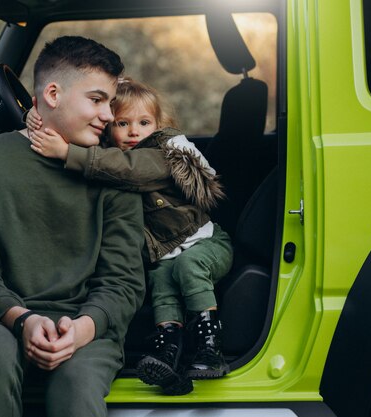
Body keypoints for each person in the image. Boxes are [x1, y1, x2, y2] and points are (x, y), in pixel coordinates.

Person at [0, 36, 146, 417]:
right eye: (97, 100)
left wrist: (82, 329)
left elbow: (123, 282)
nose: (107, 116)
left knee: (77, 387)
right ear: (52, 93)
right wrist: (24, 321)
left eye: (110, 103)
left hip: (87, 324)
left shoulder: (114, 171)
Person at [27, 77, 234, 395]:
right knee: (162, 281)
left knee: (188, 268)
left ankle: (209, 347)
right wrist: (36, 115)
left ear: (159, 124)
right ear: (109, 125)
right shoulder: (111, 154)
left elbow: (126, 169)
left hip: (205, 243)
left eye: (144, 122)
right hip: (168, 253)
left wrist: (67, 152)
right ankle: (170, 350)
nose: (134, 131)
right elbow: (103, 156)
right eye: (123, 123)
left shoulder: (163, 153)